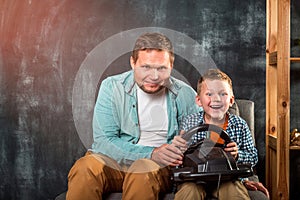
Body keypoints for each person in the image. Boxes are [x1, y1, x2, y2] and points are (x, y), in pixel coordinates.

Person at [66, 32, 206, 200]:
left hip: (157, 168)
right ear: (133, 63)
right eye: (145, 67)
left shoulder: (185, 94)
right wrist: (151, 152)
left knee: (142, 168)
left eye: (162, 68)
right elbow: (103, 141)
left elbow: (200, 138)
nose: (153, 77)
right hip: (115, 161)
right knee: (85, 167)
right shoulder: (112, 87)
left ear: (171, 65)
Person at [172, 68, 269, 199]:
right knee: (188, 192)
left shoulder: (239, 124)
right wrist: (178, 153)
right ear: (199, 100)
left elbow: (252, 156)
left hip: (227, 178)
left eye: (223, 94)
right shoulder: (190, 122)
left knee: (235, 193)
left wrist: (237, 155)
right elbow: (178, 157)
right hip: (195, 178)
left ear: (231, 100)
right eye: (209, 94)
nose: (216, 99)